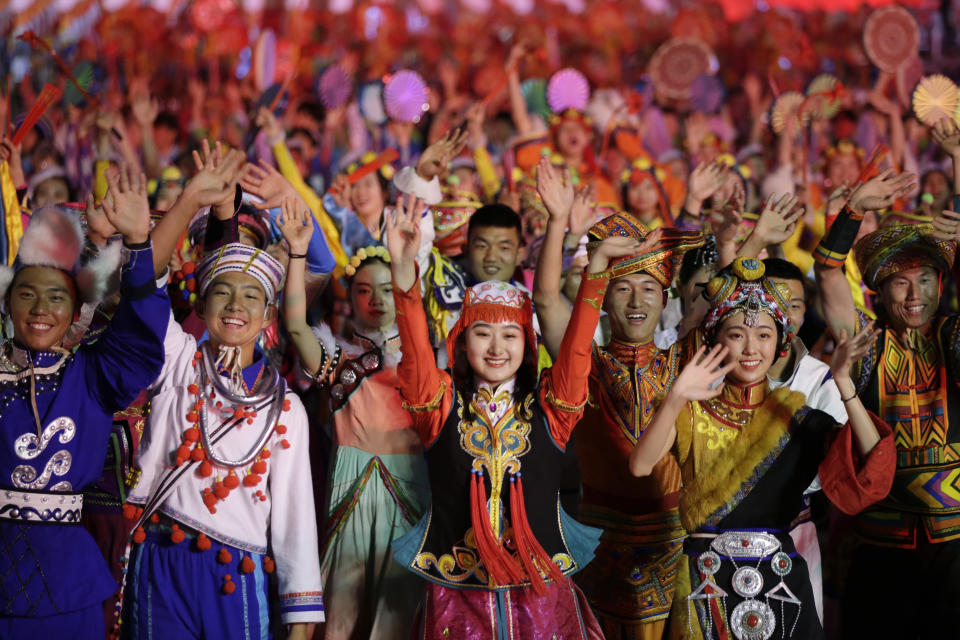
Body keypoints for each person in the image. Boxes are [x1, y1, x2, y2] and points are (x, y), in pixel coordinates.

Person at [386, 190, 628, 638]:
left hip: (540, 596)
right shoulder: (441, 405)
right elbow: (417, 354)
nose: (497, 348)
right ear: (462, 341)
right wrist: (405, 277)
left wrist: (596, 275)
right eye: (483, 333)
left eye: (510, 336)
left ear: (528, 345)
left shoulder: (551, 409)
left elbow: (576, 351)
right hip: (458, 595)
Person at [630, 257, 894, 640]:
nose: (751, 348)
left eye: (765, 335)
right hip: (705, 583)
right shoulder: (690, 409)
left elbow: (873, 466)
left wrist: (843, 383)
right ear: (715, 338)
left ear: (781, 341)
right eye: (737, 334)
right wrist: (674, 397)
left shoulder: (795, 416)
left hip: (780, 583)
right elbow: (640, 466)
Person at [124, 148, 325, 639]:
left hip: (237, 575)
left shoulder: (285, 407)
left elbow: (295, 519)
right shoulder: (177, 360)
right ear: (202, 302)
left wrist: (300, 620)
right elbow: (142, 284)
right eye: (222, 292)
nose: (236, 306)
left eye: (251, 296)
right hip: (161, 561)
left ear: (267, 315)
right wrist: (192, 197)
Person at [532, 155, 704, 640]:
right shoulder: (583, 366)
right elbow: (546, 299)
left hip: (672, 544)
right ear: (603, 298)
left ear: (665, 298)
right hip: (598, 542)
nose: (636, 301)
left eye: (649, 288)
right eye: (622, 288)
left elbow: (722, 304)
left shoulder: (681, 363)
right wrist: (555, 222)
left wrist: (742, 242)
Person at [0, 169, 168, 639]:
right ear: (6, 303)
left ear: (75, 314)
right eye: (26, 294)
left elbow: (140, 340)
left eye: (56, 298)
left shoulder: (92, 375)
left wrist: (138, 245)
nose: (40, 309)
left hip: (67, 587)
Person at [814, 164, 960, 638]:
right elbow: (828, 271)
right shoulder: (867, 343)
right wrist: (853, 208)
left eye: (925, 280)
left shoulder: (953, 335)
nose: (914, 295)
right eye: (900, 282)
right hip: (881, 547)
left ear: (941, 284)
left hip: (955, 549)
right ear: (879, 290)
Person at [278, 197, 429, 640]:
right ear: (351, 297)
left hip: (411, 494)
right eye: (364, 290)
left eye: (387, 288)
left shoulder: (425, 356)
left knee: (400, 616)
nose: (377, 299)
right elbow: (295, 326)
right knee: (341, 613)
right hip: (351, 492)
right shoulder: (338, 355)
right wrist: (298, 254)